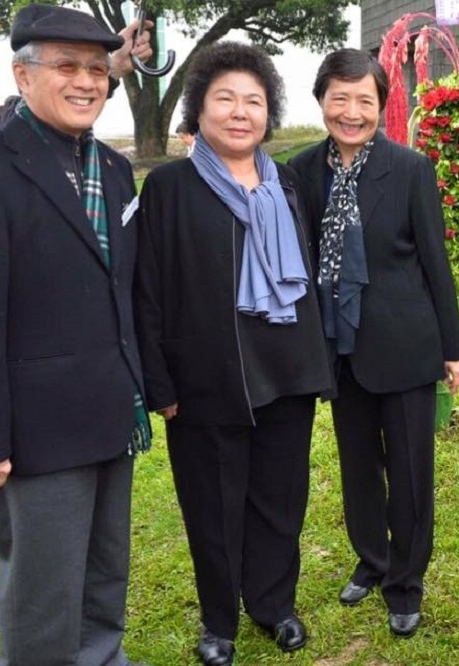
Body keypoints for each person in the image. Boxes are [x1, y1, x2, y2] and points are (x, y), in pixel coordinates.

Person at [0, 5, 154, 665]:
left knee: (104, 575)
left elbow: (120, 293)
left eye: (95, 69)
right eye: (66, 67)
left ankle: (102, 657)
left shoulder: (112, 171)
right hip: (34, 431)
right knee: (42, 590)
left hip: (112, 412)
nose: (85, 82)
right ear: (22, 76)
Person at [135, 42, 333, 665]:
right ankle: (219, 620)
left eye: (253, 101)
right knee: (213, 507)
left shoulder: (289, 184)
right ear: (200, 110)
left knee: (281, 500)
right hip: (206, 380)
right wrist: (158, 383)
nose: (240, 112)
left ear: (268, 113)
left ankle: (274, 605)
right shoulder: (169, 186)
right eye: (225, 99)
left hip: (285, 371)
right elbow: (147, 288)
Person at [289, 48, 459, 639]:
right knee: (358, 465)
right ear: (321, 102)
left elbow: (436, 263)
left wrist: (452, 346)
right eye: (340, 98)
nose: (352, 112)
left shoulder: (410, 169)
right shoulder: (301, 171)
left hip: (405, 344)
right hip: (337, 346)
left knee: (411, 473)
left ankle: (406, 582)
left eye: (365, 100)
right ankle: (373, 558)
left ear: (382, 107)